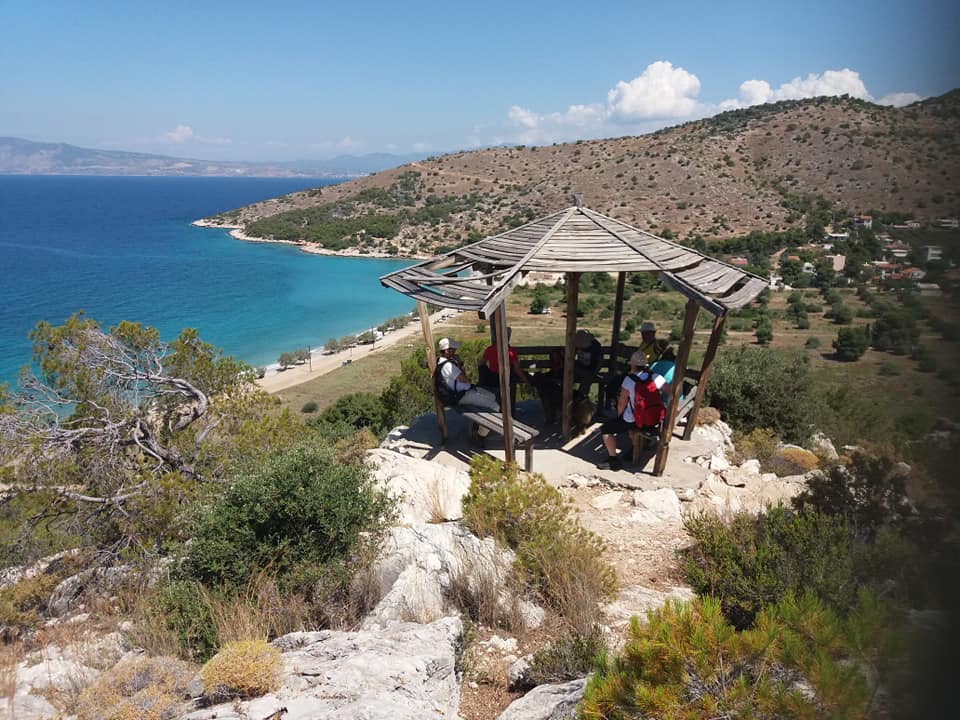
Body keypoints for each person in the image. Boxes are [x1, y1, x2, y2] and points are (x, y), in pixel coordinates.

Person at [596, 350, 670, 470]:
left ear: (633, 365)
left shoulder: (629, 380)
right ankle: (634, 448)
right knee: (632, 426)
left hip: (635, 420)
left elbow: (621, 403)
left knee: (606, 429)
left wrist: (620, 417)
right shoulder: (656, 377)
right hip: (654, 419)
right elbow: (670, 393)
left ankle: (613, 460)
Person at [435, 337, 499, 411]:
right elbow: (465, 379)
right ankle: (495, 422)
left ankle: (479, 421)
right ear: (447, 351)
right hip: (462, 395)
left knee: (492, 396)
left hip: (462, 393)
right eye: (453, 349)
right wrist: (460, 364)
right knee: (494, 406)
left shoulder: (440, 362)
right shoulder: (449, 365)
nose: (455, 351)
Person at [478, 326, 530, 407]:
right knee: (512, 383)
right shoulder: (511, 351)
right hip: (505, 380)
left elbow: (481, 363)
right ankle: (510, 410)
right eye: (508, 335)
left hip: (492, 378)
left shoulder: (490, 349)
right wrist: (526, 380)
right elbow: (517, 369)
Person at [573, 329, 603, 400]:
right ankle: (570, 396)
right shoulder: (576, 344)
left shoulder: (596, 346)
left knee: (587, 378)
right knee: (568, 375)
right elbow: (571, 357)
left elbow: (600, 361)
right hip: (579, 367)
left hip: (590, 369)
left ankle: (580, 397)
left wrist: (594, 373)